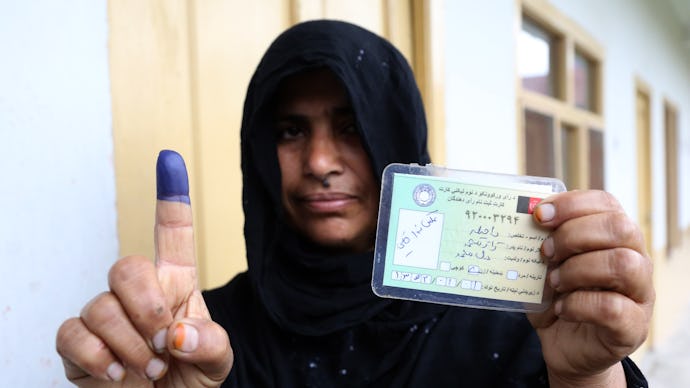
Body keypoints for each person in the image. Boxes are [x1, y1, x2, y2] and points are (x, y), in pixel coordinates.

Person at [56, 20, 654, 387]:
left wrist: (586, 378)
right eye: (290, 131)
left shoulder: (518, 323)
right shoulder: (204, 340)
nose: (319, 162)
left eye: (351, 126)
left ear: (396, 136)